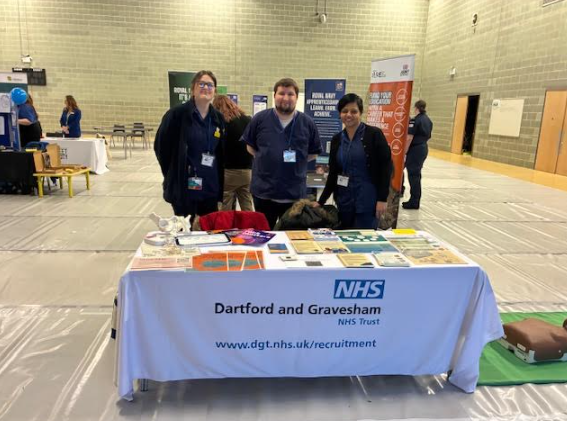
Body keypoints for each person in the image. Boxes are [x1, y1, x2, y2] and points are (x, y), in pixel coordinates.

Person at [242, 78, 322, 229]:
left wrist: (295, 163)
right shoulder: (260, 119)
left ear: (296, 97)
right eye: (281, 93)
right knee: (264, 235)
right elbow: (250, 147)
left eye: (290, 94)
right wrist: (267, 158)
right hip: (264, 193)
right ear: (274, 95)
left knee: (292, 237)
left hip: (294, 195)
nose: (286, 98)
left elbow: (313, 153)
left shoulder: (307, 123)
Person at [154, 70, 225, 221]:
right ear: (193, 88)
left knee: (208, 229)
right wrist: (172, 173)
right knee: (184, 229)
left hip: (209, 185)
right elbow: (161, 148)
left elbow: (219, 154)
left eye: (210, 85)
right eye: (201, 84)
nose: (206, 88)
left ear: (214, 91)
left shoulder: (217, 118)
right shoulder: (176, 115)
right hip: (184, 186)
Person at [317, 93, 392, 229]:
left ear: (360, 113)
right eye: (344, 111)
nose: (349, 115)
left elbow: (386, 168)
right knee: (344, 237)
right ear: (340, 114)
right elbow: (333, 173)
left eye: (354, 111)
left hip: (367, 200)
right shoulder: (337, 139)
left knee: (364, 238)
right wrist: (321, 201)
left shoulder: (374, 134)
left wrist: (382, 198)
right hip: (344, 200)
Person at [212, 95, 253, 212]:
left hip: (228, 172)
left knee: (224, 206)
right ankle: (250, 223)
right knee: (247, 204)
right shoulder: (247, 120)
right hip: (247, 172)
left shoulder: (222, 123)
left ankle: (224, 224)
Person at [402, 99, 433, 210]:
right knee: (416, 174)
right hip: (423, 148)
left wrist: (404, 151)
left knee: (413, 175)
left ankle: (414, 201)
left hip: (415, 149)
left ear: (416, 108)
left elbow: (409, 137)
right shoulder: (428, 120)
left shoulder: (415, 120)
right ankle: (414, 199)